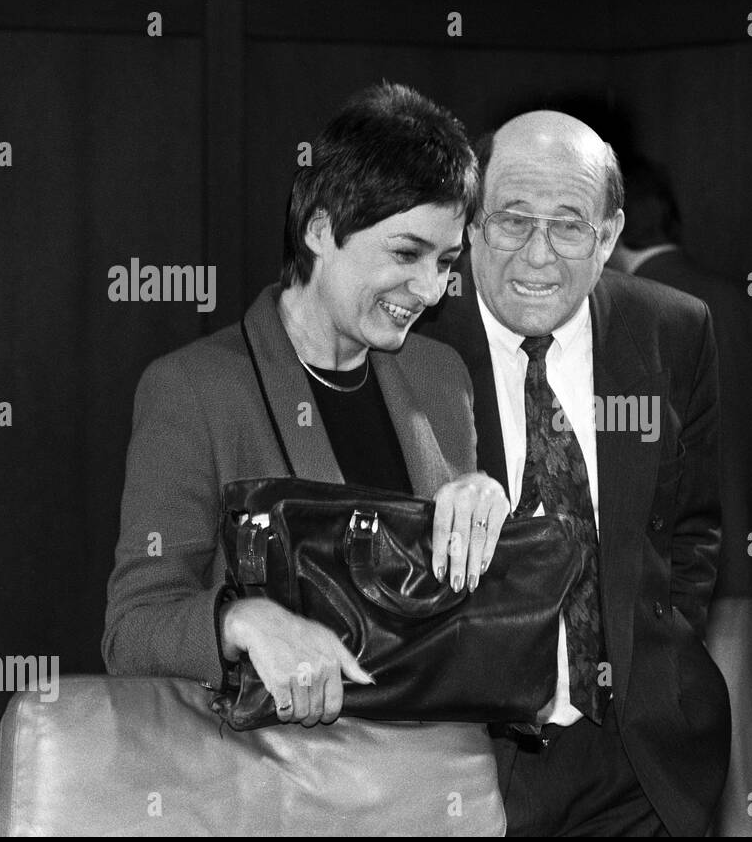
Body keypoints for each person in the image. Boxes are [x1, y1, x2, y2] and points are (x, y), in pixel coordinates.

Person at [104, 82, 508, 731]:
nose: (430, 289)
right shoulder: (193, 389)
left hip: (431, 787)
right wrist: (242, 619)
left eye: (446, 260)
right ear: (321, 229)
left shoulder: (442, 376)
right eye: (406, 253)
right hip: (277, 797)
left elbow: (454, 616)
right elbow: (133, 628)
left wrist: (489, 518)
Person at [415, 111, 728, 837]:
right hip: (470, 762)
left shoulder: (673, 331)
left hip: (637, 763)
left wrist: (654, 660)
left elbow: (693, 532)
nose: (538, 255)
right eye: (512, 221)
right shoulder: (416, 338)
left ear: (610, 235)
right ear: (470, 224)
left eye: (569, 225)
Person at [608, 155, 752, 837]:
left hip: (674, 569)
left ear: (616, 231)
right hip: (745, 557)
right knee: (739, 734)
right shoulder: (736, 299)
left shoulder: (639, 315)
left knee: (677, 743)